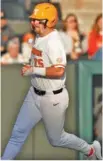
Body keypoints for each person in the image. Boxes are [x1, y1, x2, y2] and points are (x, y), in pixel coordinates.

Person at [1, 3, 102, 160]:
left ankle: (90, 150)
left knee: (57, 139)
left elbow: (59, 70)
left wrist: (34, 70)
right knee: (18, 133)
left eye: (38, 20)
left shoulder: (54, 42)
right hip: (34, 94)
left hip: (53, 98)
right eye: (33, 19)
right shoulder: (39, 36)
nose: (34, 22)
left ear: (51, 21)